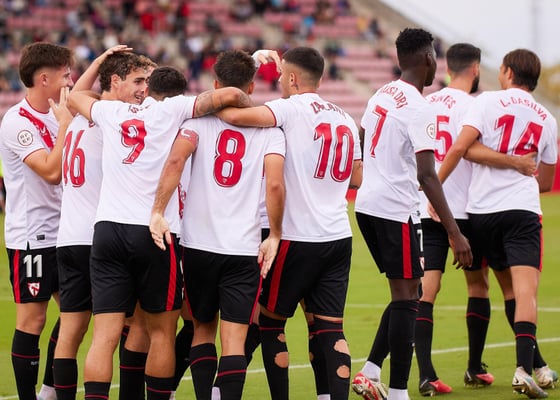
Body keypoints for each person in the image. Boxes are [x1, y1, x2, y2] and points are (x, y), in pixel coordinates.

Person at [67, 66, 252, 399]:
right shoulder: (175, 109)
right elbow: (231, 94)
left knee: (104, 337)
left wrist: (103, 66)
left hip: (107, 230)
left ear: (147, 88)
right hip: (156, 231)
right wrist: (243, 104)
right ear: (179, 93)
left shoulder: (112, 111)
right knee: (162, 333)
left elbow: (75, 96)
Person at [218, 46, 363, 400]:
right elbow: (357, 177)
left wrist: (247, 67)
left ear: (294, 78)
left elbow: (233, 114)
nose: (280, 81)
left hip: (296, 236)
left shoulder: (289, 109)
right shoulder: (345, 118)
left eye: (283, 76)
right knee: (330, 329)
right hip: (337, 236)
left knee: (271, 323)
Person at [150, 48, 286, 400]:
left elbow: (175, 161)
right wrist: (275, 233)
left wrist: (158, 210)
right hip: (242, 247)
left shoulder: (194, 124)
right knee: (235, 340)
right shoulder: (271, 132)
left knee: (201, 331)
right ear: (251, 87)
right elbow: (274, 184)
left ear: (214, 85)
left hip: (198, 245)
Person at [350, 28, 472, 400]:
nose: (437, 62)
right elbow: (426, 175)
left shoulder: (381, 93)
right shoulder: (420, 107)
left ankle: (371, 370)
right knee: (408, 298)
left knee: (409, 290)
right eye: (434, 55)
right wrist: (454, 232)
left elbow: (363, 138)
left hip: (366, 205)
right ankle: (399, 391)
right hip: (395, 209)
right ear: (426, 59)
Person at [414, 42, 540, 397]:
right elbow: (472, 151)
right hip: (466, 210)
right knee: (480, 285)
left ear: (447, 68)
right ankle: (475, 367)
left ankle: (426, 375)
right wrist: (516, 163)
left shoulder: (426, 103)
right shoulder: (477, 105)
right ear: (475, 70)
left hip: (427, 206)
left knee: (427, 289)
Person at [52, 47, 153, 400]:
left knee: (70, 333)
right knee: (134, 324)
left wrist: (98, 61)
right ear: (115, 81)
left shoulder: (77, 116)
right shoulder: (115, 120)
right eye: (138, 82)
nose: (144, 90)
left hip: (67, 238)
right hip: (99, 237)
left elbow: (76, 94)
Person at [0, 42, 74, 400]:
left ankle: (49, 390)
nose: (70, 81)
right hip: (32, 237)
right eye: (65, 75)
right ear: (45, 79)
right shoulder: (17, 121)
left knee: (77, 312)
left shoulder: (59, 111)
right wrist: (65, 127)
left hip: (66, 233)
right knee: (33, 320)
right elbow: (50, 171)